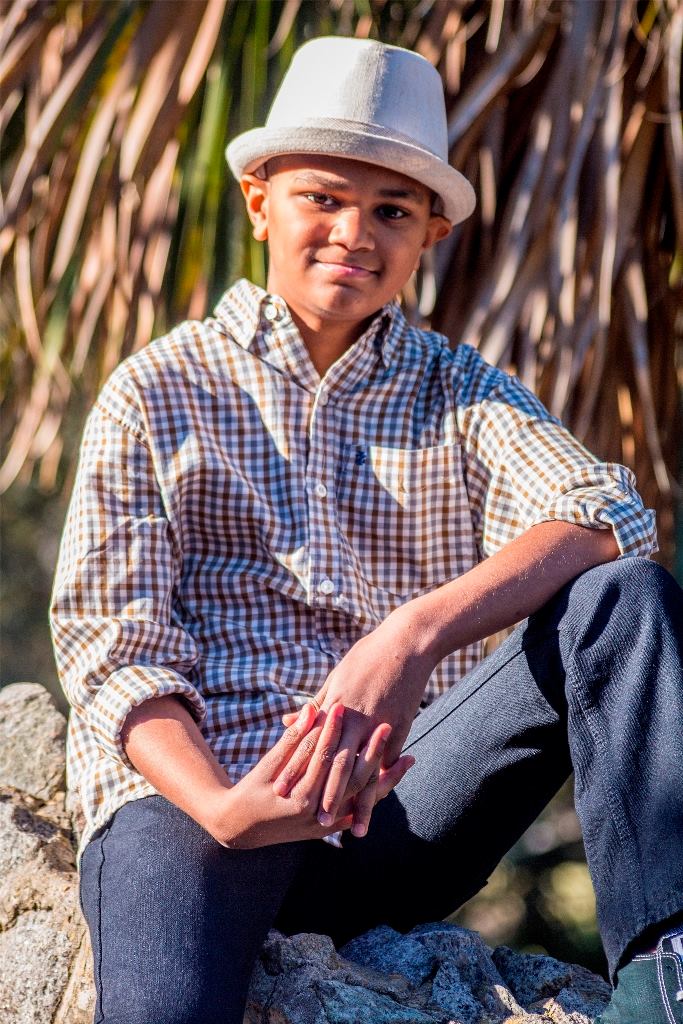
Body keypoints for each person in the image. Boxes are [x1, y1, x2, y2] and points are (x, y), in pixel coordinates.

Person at [50, 36, 683, 1024]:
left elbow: (609, 511)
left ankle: (663, 977)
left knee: (621, 600)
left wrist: (410, 633)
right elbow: (113, 653)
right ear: (258, 198)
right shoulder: (156, 392)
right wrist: (223, 807)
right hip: (197, 811)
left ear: (428, 232)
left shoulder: (458, 389)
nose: (354, 232)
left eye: (390, 210)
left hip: (389, 819)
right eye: (322, 198)